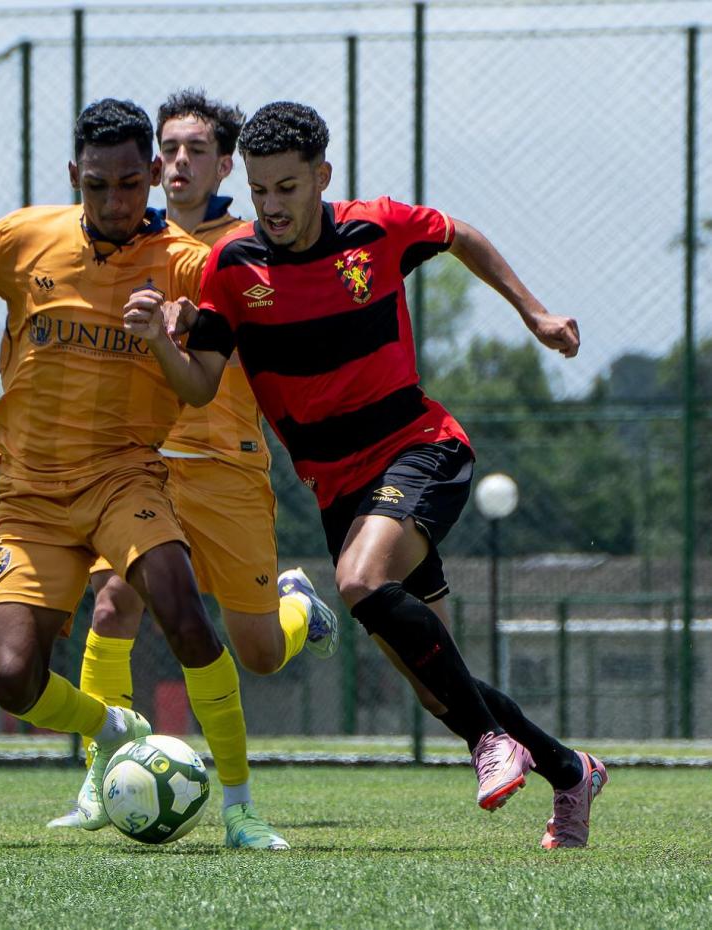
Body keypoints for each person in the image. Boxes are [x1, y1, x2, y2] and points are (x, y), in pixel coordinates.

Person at [123, 101, 608, 850]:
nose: (272, 206)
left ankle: (492, 745)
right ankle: (570, 771)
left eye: (288, 188)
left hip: (420, 448)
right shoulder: (234, 268)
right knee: (437, 680)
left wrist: (534, 315)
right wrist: (161, 340)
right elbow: (198, 384)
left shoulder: (374, 229)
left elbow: (459, 234)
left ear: (321, 175)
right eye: (259, 192)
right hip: (336, 486)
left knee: (355, 581)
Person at [0, 98, 288, 850]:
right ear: (75, 174)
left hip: (123, 482)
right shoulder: (24, 237)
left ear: (151, 180)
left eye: (131, 184)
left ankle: (239, 808)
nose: (114, 201)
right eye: (98, 184)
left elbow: (226, 345)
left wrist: (187, 332)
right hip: (29, 499)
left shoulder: (183, 262)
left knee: (181, 607)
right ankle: (113, 725)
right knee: (12, 678)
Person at [46, 89, 339, 844]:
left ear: (223, 164)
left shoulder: (247, 245)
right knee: (113, 606)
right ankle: (102, 776)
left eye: (196, 150)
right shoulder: (116, 240)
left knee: (260, 653)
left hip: (226, 463)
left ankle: (300, 604)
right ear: (151, 165)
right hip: (138, 466)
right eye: (168, 149)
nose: (180, 161)